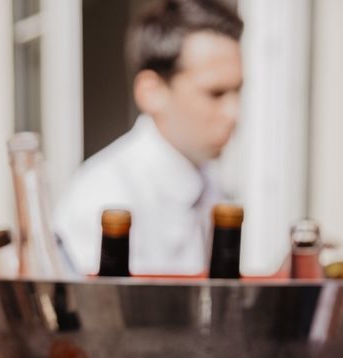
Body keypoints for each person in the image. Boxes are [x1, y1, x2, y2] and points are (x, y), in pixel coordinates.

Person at [54, 0, 244, 275]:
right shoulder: (103, 198)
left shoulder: (211, 183)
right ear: (151, 91)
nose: (233, 113)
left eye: (238, 91)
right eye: (215, 93)